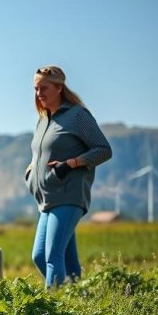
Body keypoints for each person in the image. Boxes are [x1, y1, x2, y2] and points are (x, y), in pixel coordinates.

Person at [25, 66, 111, 287]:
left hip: (69, 195)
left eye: (43, 88)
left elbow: (103, 150)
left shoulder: (77, 115)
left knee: (51, 257)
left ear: (59, 87)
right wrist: (32, 168)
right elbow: (42, 152)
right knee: (48, 258)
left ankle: (55, 314)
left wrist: (71, 164)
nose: (38, 94)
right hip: (47, 200)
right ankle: (78, 301)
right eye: (35, 89)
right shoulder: (43, 119)